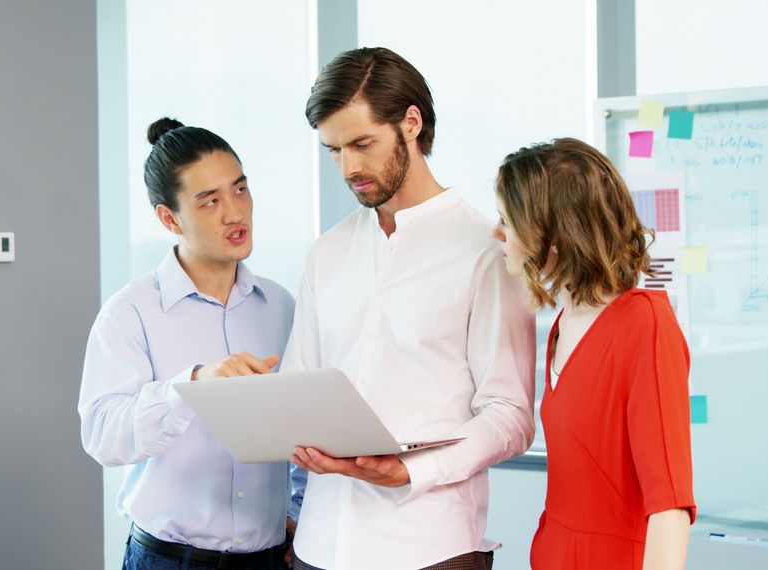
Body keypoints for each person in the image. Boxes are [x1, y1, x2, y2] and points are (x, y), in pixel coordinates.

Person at [284, 47, 537, 570]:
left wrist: (409, 471)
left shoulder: (488, 250)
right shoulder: (325, 254)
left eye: (362, 143)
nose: (349, 167)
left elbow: (511, 415)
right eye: (333, 150)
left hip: (430, 547)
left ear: (411, 124)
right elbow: (299, 384)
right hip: (319, 546)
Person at [79, 118, 298, 570]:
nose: (235, 213)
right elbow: (103, 437)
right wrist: (194, 384)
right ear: (169, 218)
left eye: (240, 190)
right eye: (210, 202)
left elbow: (305, 428)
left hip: (273, 560)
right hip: (170, 561)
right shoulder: (131, 312)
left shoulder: (281, 306)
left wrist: (299, 514)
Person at [491, 137, 696, 569]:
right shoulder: (561, 325)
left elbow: (670, 507)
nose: (498, 233)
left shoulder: (644, 325)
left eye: (509, 221)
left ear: (556, 236)